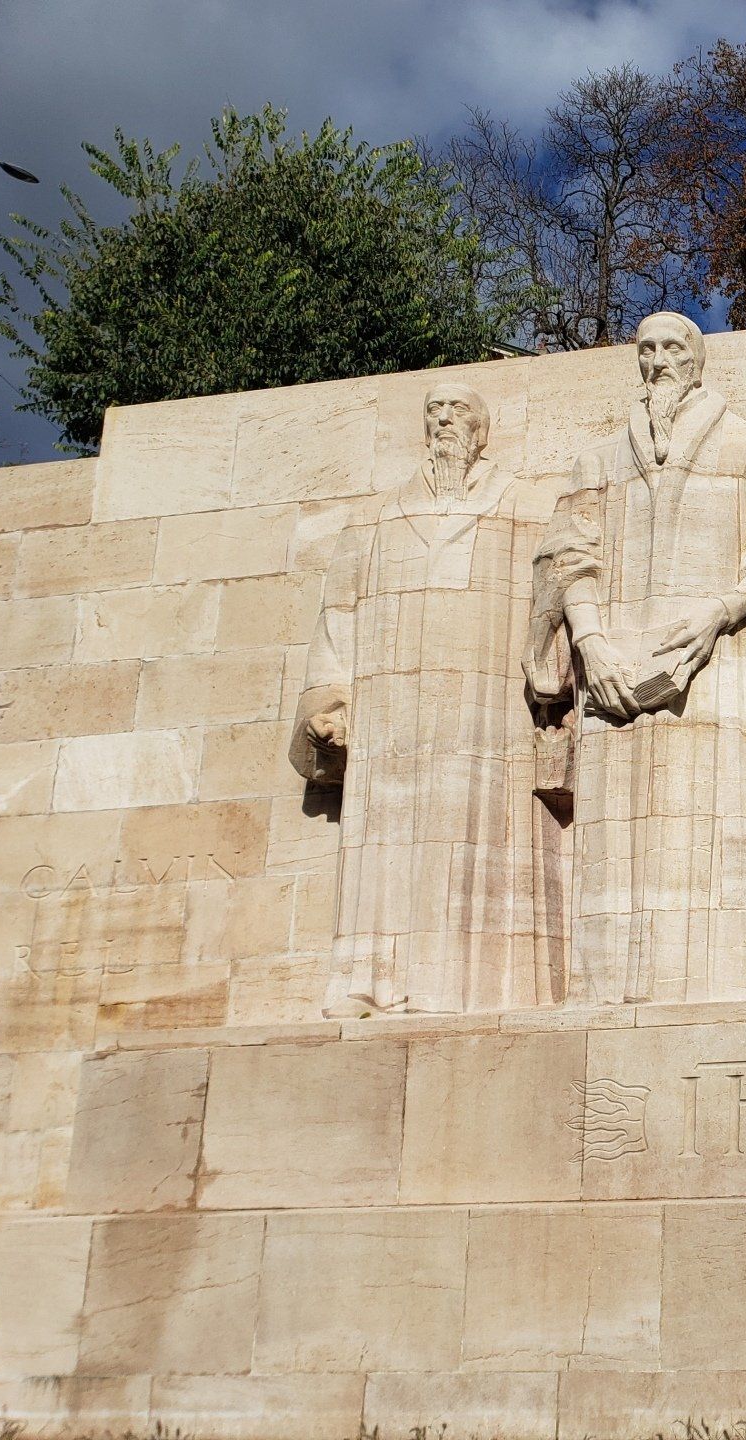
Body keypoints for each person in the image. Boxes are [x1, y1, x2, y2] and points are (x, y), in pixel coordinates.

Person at [525, 312, 746, 1003]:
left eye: (674, 348)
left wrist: (719, 613)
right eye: (647, 350)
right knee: (618, 858)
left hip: (725, 677)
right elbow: (564, 558)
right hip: (612, 680)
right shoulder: (597, 463)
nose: (659, 361)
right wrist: (588, 641)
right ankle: (610, 1001)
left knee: (725, 847)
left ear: (698, 363)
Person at [293, 383, 565, 1014]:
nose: (445, 421)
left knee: (484, 837)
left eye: (459, 411)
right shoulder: (376, 519)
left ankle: (470, 986)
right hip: (394, 715)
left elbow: (558, 602)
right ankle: (369, 980)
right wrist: (332, 704)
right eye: (434, 412)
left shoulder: (524, 508)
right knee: (384, 842)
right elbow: (338, 620)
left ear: (483, 430)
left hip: (487, 712)